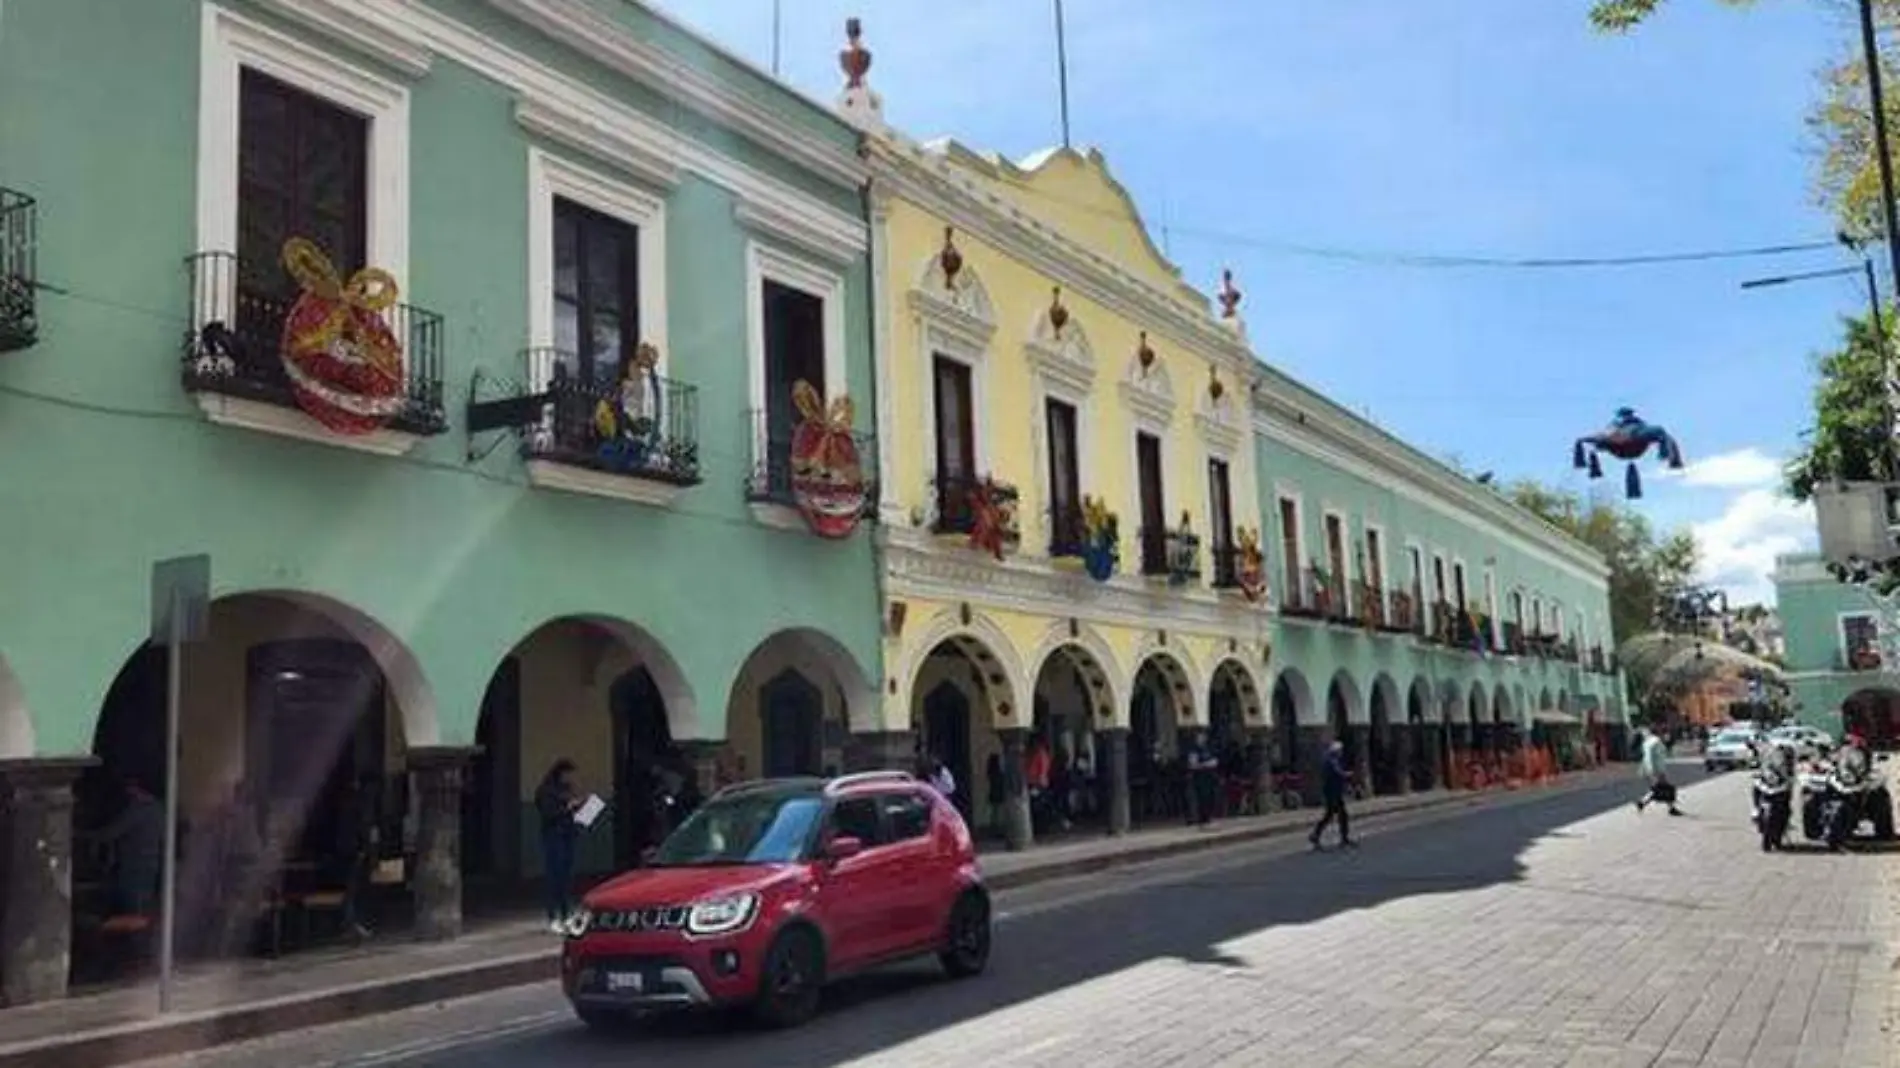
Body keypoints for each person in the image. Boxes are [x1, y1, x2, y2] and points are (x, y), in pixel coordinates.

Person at [94, 777, 165, 916]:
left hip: (134, 865)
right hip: (150, 863)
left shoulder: (138, 810)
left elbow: (113, 831)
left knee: (133, 904)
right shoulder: (158, 808)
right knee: (142, 902)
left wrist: (95, 836)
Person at [535, 759, 583, 933]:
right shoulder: (546, 791)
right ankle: (553, 916)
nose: (570, 778)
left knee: (566, 877)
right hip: (553, 837)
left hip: (568, 835)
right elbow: (548, 814)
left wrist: (580, 809)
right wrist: (568, 808)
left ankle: (566, 914)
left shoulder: (566, 790)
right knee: (554, 876)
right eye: (567, 774)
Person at [1309, 741, 1355, 849]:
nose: (1341, 753)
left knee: (1335, 815)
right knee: (1336, 815)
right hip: (1332, 793)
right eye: (1340, 751)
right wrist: (1347, 775)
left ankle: (1317, 835)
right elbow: (1337, 773)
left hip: (1334, 792)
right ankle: (1317, 835)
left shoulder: (1332, 760)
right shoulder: (1331, 761)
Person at [1635, 729, 1681, 816]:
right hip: (1657, 770)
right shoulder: (1656, 743)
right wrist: (1658, 772)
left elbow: (1646, 757)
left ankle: (1643, 802)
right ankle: (1671, 808)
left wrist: (1644, 769)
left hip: (1650, 769)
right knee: (1666, 789)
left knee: (1660, 788)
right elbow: (1657, 758)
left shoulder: (1647, 743)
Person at [1184, 732, 1220, 827]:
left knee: (1209, 797)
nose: (1202, 739)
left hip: (1208, 777)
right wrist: (1205, 764)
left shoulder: (1207, 748)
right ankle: (1200, 818)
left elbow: (1215, 760)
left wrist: (1211, 763)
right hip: (1199, 777)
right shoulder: (1194, 750)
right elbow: (1193, 764)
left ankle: (1207, 817)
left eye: (1203, 737)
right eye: (1200, 737)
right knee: (1200, 797)